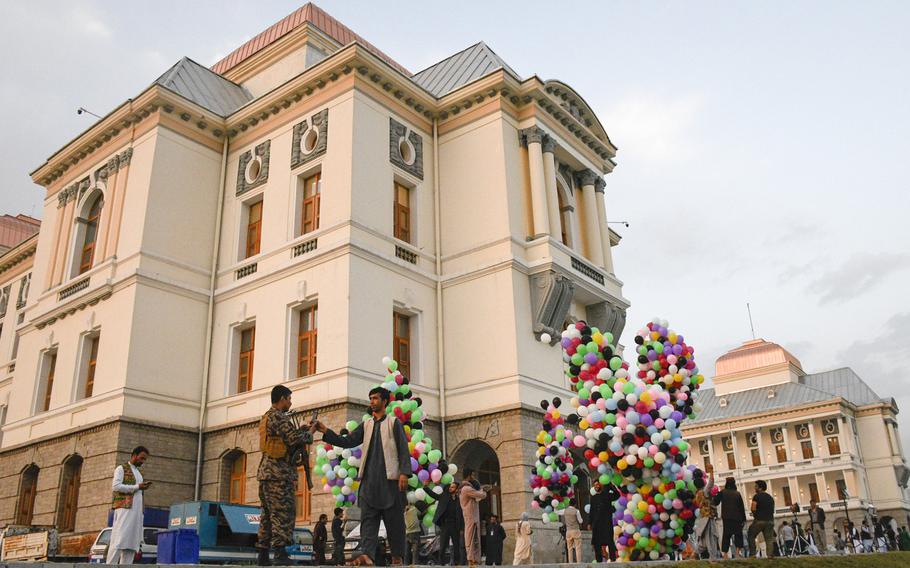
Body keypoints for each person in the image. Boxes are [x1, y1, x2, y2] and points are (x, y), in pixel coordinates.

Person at [314, 387, 410, 566]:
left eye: (375, 398)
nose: (372, 401)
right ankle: (367, 556)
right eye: (370, 398)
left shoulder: (393, 422)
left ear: (384, 401)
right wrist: (325, 430)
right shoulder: (366, 425)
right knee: (368, 524)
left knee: (395, 524)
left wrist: (404, 472)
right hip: (369, 483)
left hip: (390, 483)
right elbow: (347, 441)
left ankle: (397, 557)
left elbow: (403, 449)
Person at [257, 385, 313, 566]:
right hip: (278, 475)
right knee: (283, 514)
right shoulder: (279, 417)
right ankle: (280, 554)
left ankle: (263, 556)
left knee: (267, 516)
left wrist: (300, 430)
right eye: (289, 398)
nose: (290, 402)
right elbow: (295, 439)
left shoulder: (267, 417)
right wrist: (309, 432)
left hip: (266, 474)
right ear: (281, 399)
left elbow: (285, 438)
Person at [107, 446, 151, 564]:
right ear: (134, 455)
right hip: (124, 510)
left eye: (144, 459)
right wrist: (137, 487)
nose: (142, 461)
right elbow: (116, 487)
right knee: (119, 540)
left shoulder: (138, 473)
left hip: (136, 513)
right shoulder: (121, 469)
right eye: (141, 458)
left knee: (131, 544)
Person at [459, 469, 488, 567]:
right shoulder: (466, 488)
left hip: (471, 516)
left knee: (473, 538)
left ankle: (473, 559)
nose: (474, 477)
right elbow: (482, 495)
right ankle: (471, 559)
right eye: (473, 475)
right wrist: (483, 490)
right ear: (469, 476)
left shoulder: (466, 488)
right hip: (470, 516)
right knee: (470, 538)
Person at [430, 482, 464, 564]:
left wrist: (461, 528)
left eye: (452, 487)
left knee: (456, 545)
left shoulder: (458, 500)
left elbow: (461, 515)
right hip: (445, 524)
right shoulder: (444, 496)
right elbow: (434, 495)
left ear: (456, 489)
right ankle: (441, 563)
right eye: (450, 487)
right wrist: (425, 487)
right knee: (443, 545)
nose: (450, 488)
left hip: (455, 525)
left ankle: (457, 563)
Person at [713, 477, 746, 558]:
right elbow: (741, 507)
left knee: (726, 536)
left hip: (727, 517)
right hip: (737, 517)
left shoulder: (723, 492)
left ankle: (725, 555)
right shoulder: (737, 493)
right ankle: (738, 553)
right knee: (738, 535)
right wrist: (744, 519)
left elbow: (715, 502)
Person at [693, 465, 720, 560]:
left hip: (702, 517)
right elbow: (711, 482)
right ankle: (713, 558)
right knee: (711, 537)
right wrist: (711, 471)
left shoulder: (697, 494)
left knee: (704, 540)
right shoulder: (705, 491)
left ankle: (695, 553)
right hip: (708, 517)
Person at [589, 479, 620, 562]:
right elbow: (591, 511)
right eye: (595, 485)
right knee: (597, 542)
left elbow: (617, 495)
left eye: (598, 484)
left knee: (609, 540)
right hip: (596, 523)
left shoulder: (607, 495)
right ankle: (599, 560)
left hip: (606, 522)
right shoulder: (593, 498)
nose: (596, 486)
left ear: (601, 486)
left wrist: (610, 486)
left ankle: (613, 559)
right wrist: (589, 523)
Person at [747, 480, 776, 558]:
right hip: (770, 520)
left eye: (756, 486)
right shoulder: (770, 497)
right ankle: (770, 556)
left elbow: (753, 508)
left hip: (759, 520)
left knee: (751, 535)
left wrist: (755, 515)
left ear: (760, 488)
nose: (754, 488)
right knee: (769, 539)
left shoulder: (756, 496)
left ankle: (753, 554)